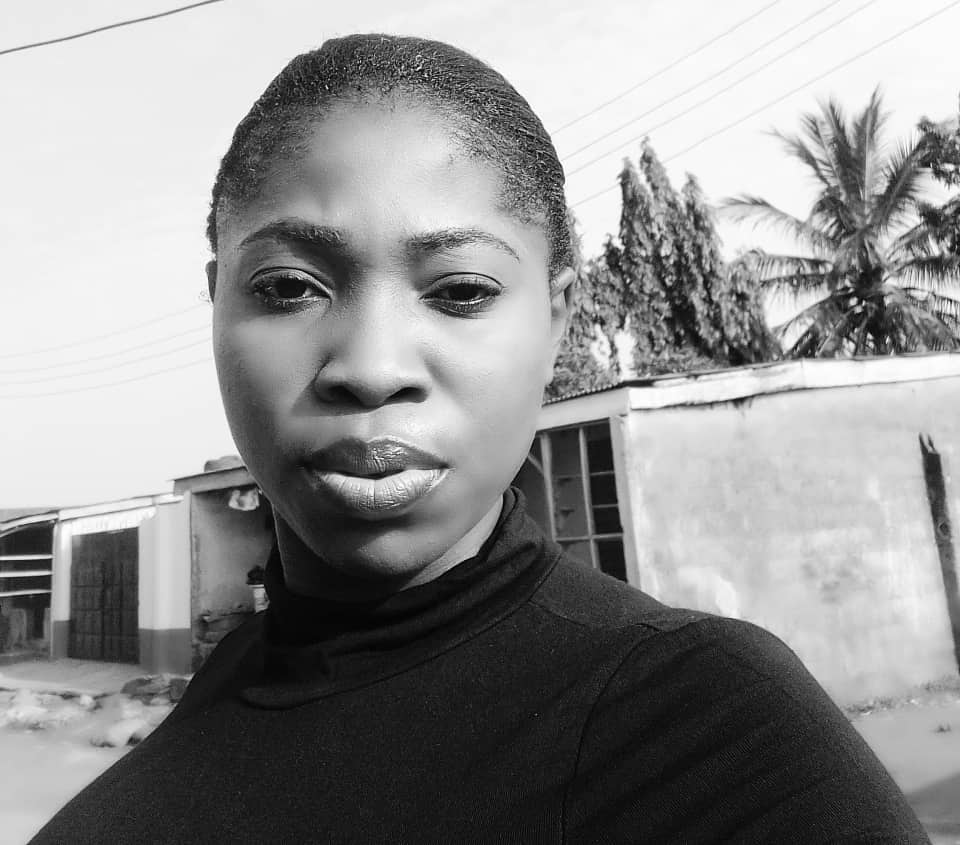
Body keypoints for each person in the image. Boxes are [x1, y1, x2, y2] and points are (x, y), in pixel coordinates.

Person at [32, 34, 929, 844]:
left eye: (460, 291)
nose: (372, 368)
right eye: (290, 287)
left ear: (557, 321)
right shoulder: (189, 733)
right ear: (216, 299)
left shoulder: (711, 742)